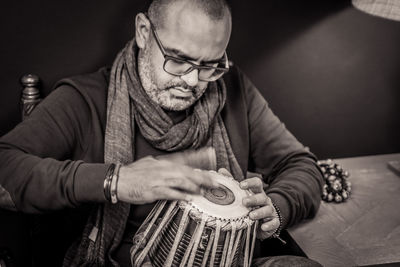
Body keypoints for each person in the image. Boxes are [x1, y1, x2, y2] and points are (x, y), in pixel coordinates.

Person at [0, 0, 324, 266]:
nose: (194, 81)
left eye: (210, 65)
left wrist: (277, 208)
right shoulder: (84, 99)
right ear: (143, 32)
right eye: (179, 60)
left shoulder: (231, 88)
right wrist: (116, 180)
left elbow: (301, 165)